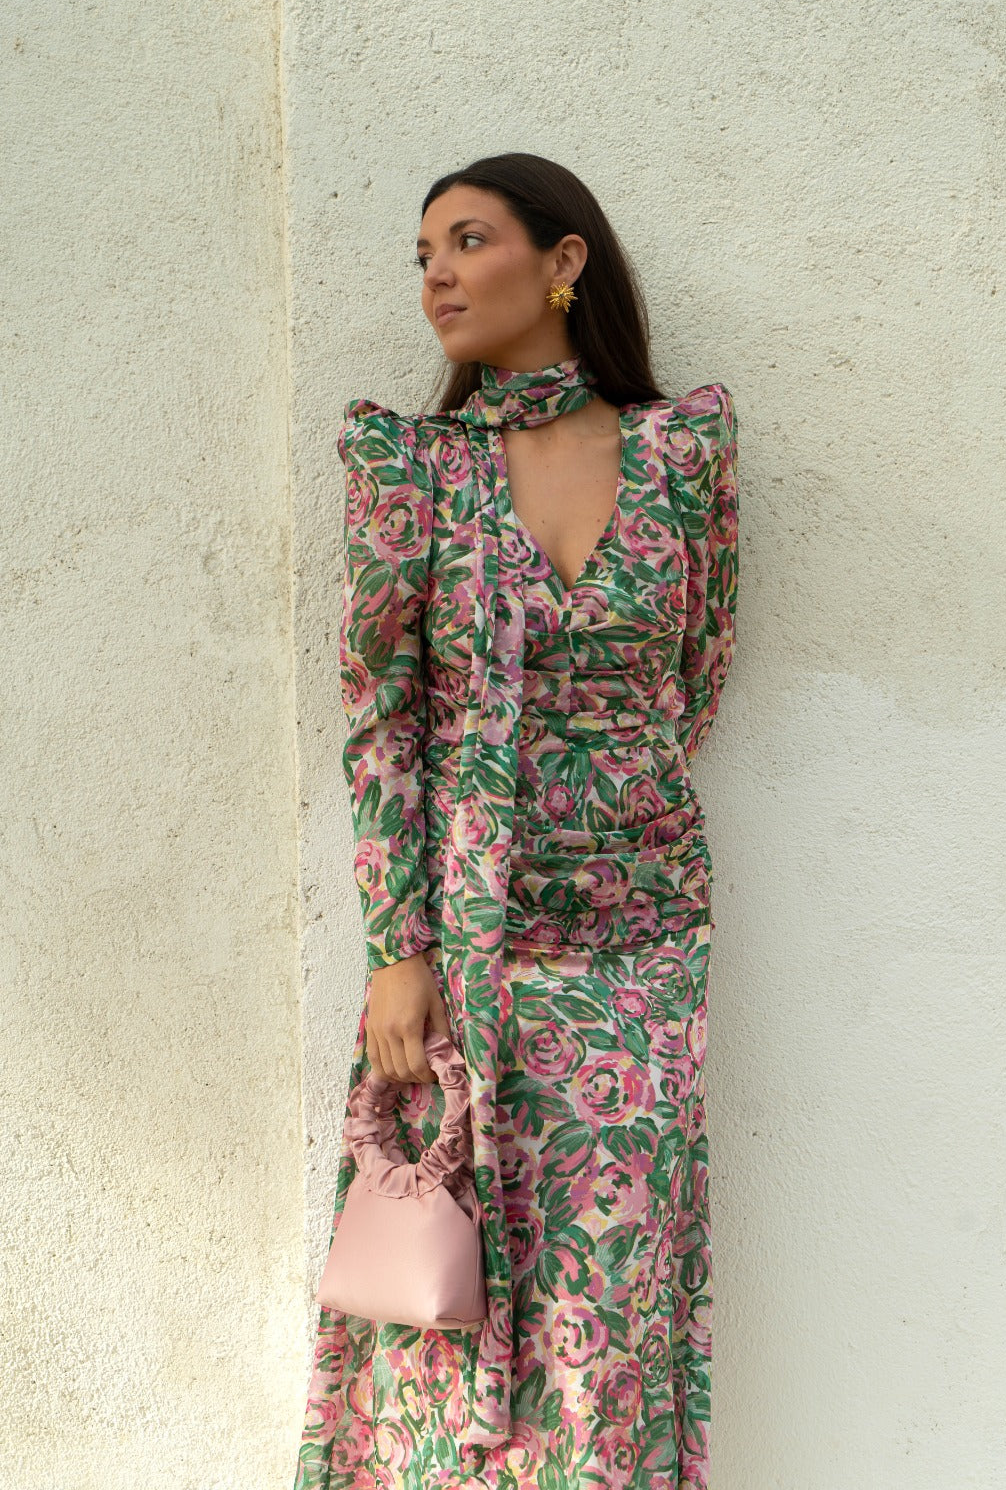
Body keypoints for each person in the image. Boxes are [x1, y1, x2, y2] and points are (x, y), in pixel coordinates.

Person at [293, 151, 739, 1490]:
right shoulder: (414, 470)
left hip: (643, 941)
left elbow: (697, 670)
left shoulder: (680, 456)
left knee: (612, 1299)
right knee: (450, 1294)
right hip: (469, 946)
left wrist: (606, 806)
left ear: (563, 261)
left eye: (468, 240)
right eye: (422, 252)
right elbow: (385, 721)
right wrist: (399, 948)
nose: (435, 274)